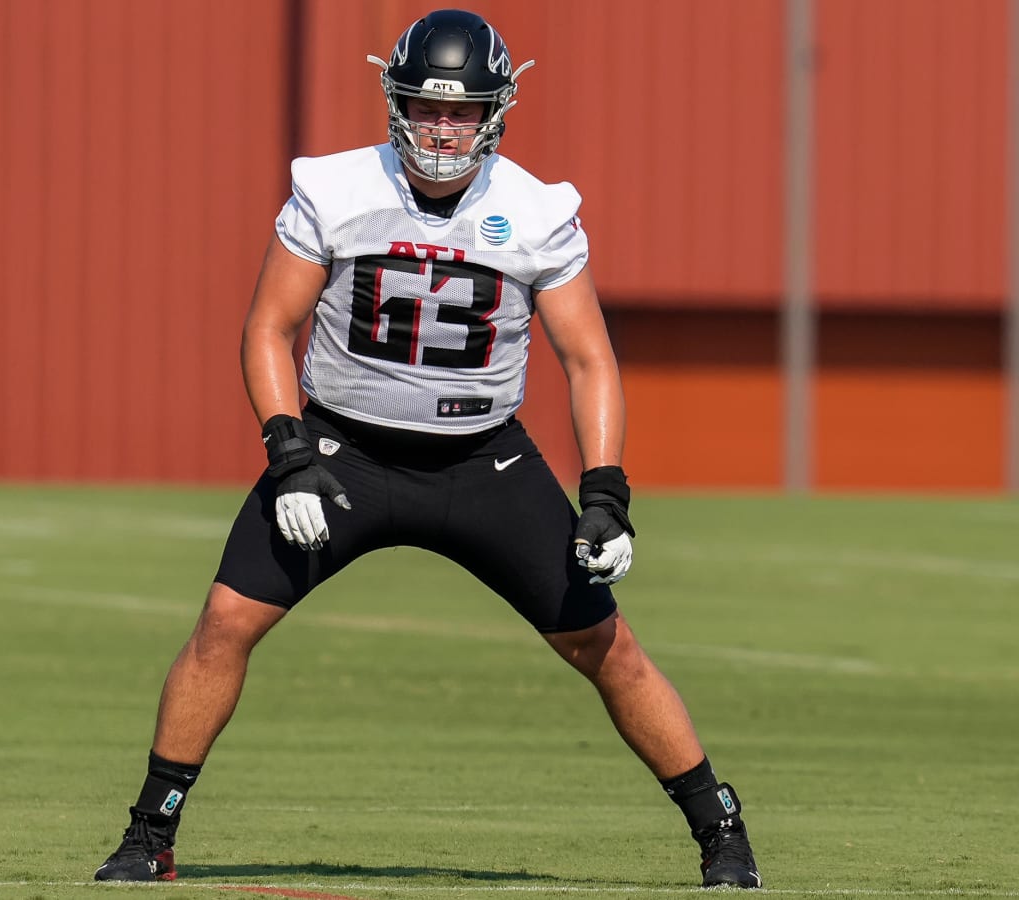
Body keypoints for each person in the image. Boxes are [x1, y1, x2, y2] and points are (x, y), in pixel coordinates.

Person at [94, 8, 761, 889]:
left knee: (605, 646)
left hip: (482, 463)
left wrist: (605, 489)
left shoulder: (534, 211)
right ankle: (151, 832)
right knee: (226, 621)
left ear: (494, 110)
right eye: (424, 107)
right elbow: (269, 327)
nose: (440, 128)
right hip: (343, 456)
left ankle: (720, 828)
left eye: (459, 111)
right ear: (395, 102)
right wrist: (290, 452)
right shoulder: (334, 190)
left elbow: (587, 358)